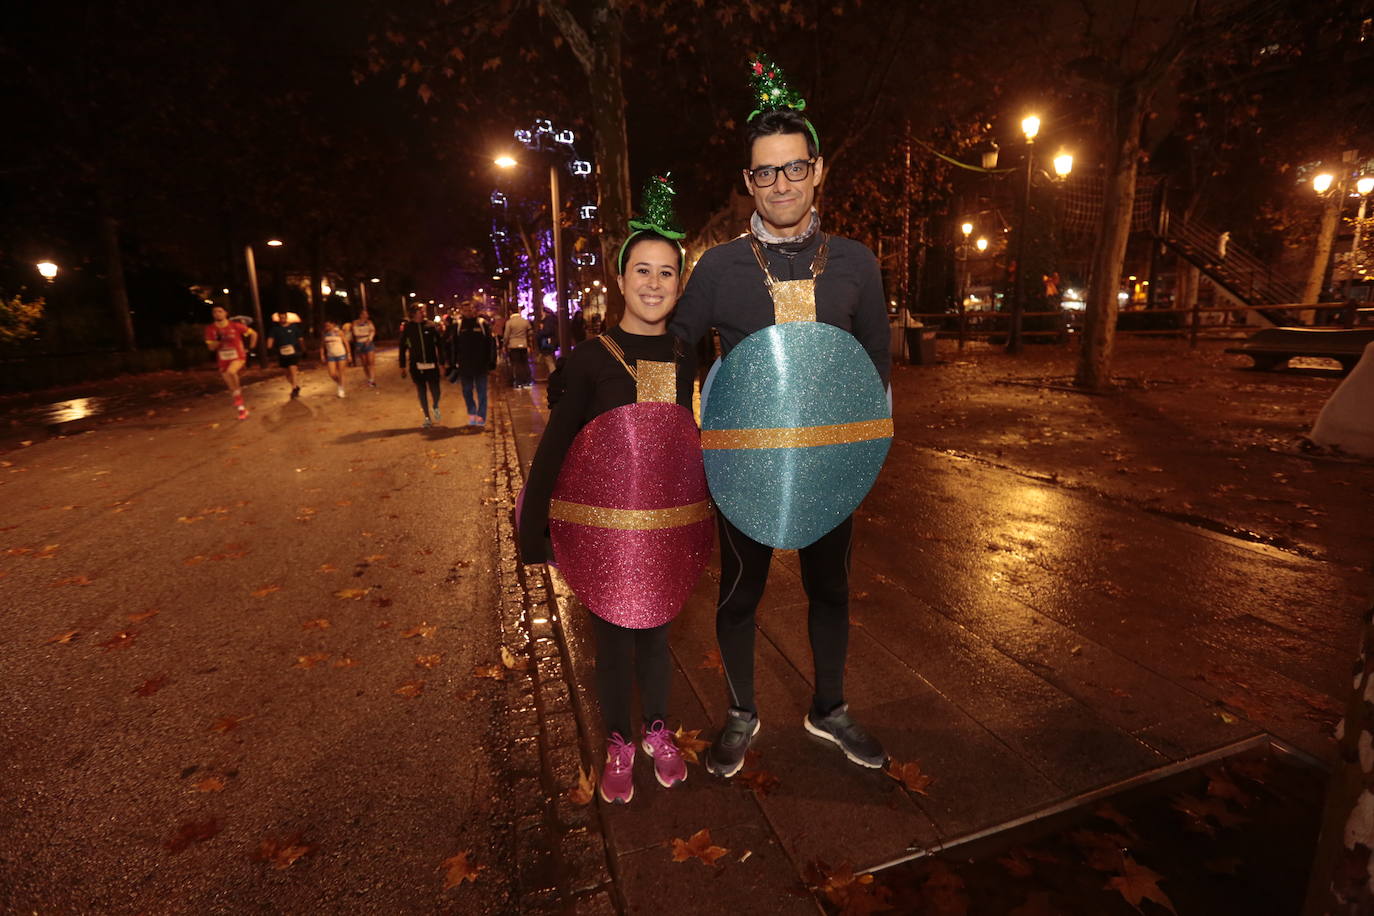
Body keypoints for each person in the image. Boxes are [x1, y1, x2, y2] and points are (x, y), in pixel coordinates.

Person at [670, 55, 892, 777]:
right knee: (741, 593)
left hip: (831, 460)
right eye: (765, 172)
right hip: (745, 466)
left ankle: (828, 708)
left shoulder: (856, 262)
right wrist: (651, 434)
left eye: (794, 167)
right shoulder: (718, 269)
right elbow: (670, 357)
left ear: (818, 170)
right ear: (748, 183)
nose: (781, 184)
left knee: (831, 587)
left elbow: (875, 368)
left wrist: (865, 456)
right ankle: (741, 712)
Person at [520, 175, 704, 805]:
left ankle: (657, 728)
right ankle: (619, 740)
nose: (654, 284)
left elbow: (682, 446)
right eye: (643, 271)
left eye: (667, 273)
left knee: (657, 636)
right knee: (612, 642)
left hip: (663, 532)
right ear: (622, 281)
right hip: (603, 537)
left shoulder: (684, 355)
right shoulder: (589, 361)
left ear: (679, 285)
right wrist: (534, 530)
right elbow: (556, 451)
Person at [204, 306, 258, 420]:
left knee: (231, 371)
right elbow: (211, 348)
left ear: (225, 313)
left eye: (220, 311)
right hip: (223, 359)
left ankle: (238, 393)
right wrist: (217, 340)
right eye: (215, 312)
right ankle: (242, 410)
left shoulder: (235, 326)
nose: (217, 314)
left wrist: (250, 348)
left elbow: (254, 334)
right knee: (231, 388)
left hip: (238, 356)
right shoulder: (210, 329)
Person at [398, 305, 447, 428]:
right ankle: (427, 417)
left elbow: (440, 345)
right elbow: (402, 347)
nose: (423, 312)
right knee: (421, 392)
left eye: (423, 310)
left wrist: (442, 363)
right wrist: (402, 365)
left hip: (432, 364)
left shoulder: (431, 325)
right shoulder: (408, 328)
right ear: (413, 313)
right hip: (416, 366)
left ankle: (435, 405)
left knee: (436, 391)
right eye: (421, 310)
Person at [453, 305, 496, 426]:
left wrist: (491, 362)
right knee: (467, 391)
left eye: (471, 310)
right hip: (464, 365)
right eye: (465, 310)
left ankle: (481, 416)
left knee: (482, 391)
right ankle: (472, 412)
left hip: (481, 365)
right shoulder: (459, 325)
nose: (468, 312)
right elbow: (453, 345)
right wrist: (452, 362)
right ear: (462, 311)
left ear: (475, 311)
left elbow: (491, 344)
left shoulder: (482, 324)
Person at [266, 311, 304, 398]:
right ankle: (295, 386)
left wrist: (303, 349)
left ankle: (294, 389)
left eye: (284, 317)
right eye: (281, 317)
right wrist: (269, 348)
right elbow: (270, 339)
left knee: (292, 369)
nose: (282, 319)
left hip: (293, 352)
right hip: (282, 353)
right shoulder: (275, 329)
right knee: (287, 374)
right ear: (279, 318)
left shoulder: (294, 327)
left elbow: (300, 339)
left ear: (286, 318)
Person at [319, 321, 351, 397]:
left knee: (341, 372)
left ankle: (341, 389)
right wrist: (322, 355)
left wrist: (349, 354)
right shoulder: (324, 334)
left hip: (341, 354)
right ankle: (340, 383)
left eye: (329, 325)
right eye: (326, 326)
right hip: (331, 356)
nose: (327, 327)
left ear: (333, 325)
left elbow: (346, 343)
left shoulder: (339, 332)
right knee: (332, 373)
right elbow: (322, 346)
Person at [504, 308, 532, 389]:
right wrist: (529, 344)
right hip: (524, 345)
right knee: (525, 363)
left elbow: (506, 336)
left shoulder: (509, 322)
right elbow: (530, 332)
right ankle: (527, 381)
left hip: (513, 346)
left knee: (516, 364)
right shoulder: (525, 321)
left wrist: (505, 345)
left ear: (510, 312)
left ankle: (519, 383)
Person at [351, 308, 379, 388]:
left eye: (367, 314)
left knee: (371, 362)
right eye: (365, 314)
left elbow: (373, 331)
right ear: (361, 315)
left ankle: (372, 380)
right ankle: (368, 377)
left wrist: (369, 339)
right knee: (365, 363)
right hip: (360, 343)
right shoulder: (355, 323)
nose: (367, 315)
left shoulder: (369, 322)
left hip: (369, 343)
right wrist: (364, 335)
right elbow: (356, 333)